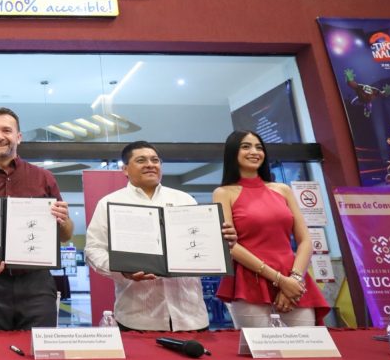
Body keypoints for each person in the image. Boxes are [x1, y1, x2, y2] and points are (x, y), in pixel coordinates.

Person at [85, 142, 237, 331]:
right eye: (141, 160)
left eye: (155, 160)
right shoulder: (110, 203)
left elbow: (200, 244)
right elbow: (93, 250)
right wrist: (121, 270)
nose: (150, 164)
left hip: (191, 316)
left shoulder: (184, 200)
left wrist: (222, 244)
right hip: (137, 317)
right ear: (125, 169)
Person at [0, 107, 73, 331]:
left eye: (6, 130)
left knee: (39, 349)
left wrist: (64, 219)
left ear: (18, 137)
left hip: (36, 285)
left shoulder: (44, 179)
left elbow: (65, 235)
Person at [214, 130, 330, 327]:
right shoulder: (223, 193)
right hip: (249, 279)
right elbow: (230, 245)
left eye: (259, 147)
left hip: (292, 275)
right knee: (259, 345)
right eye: (246, 147)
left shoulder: (283, 190)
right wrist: (280, 280)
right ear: (233, 153)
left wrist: (294, 279)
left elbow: (305, 241)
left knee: (307, 343)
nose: (254, 152)